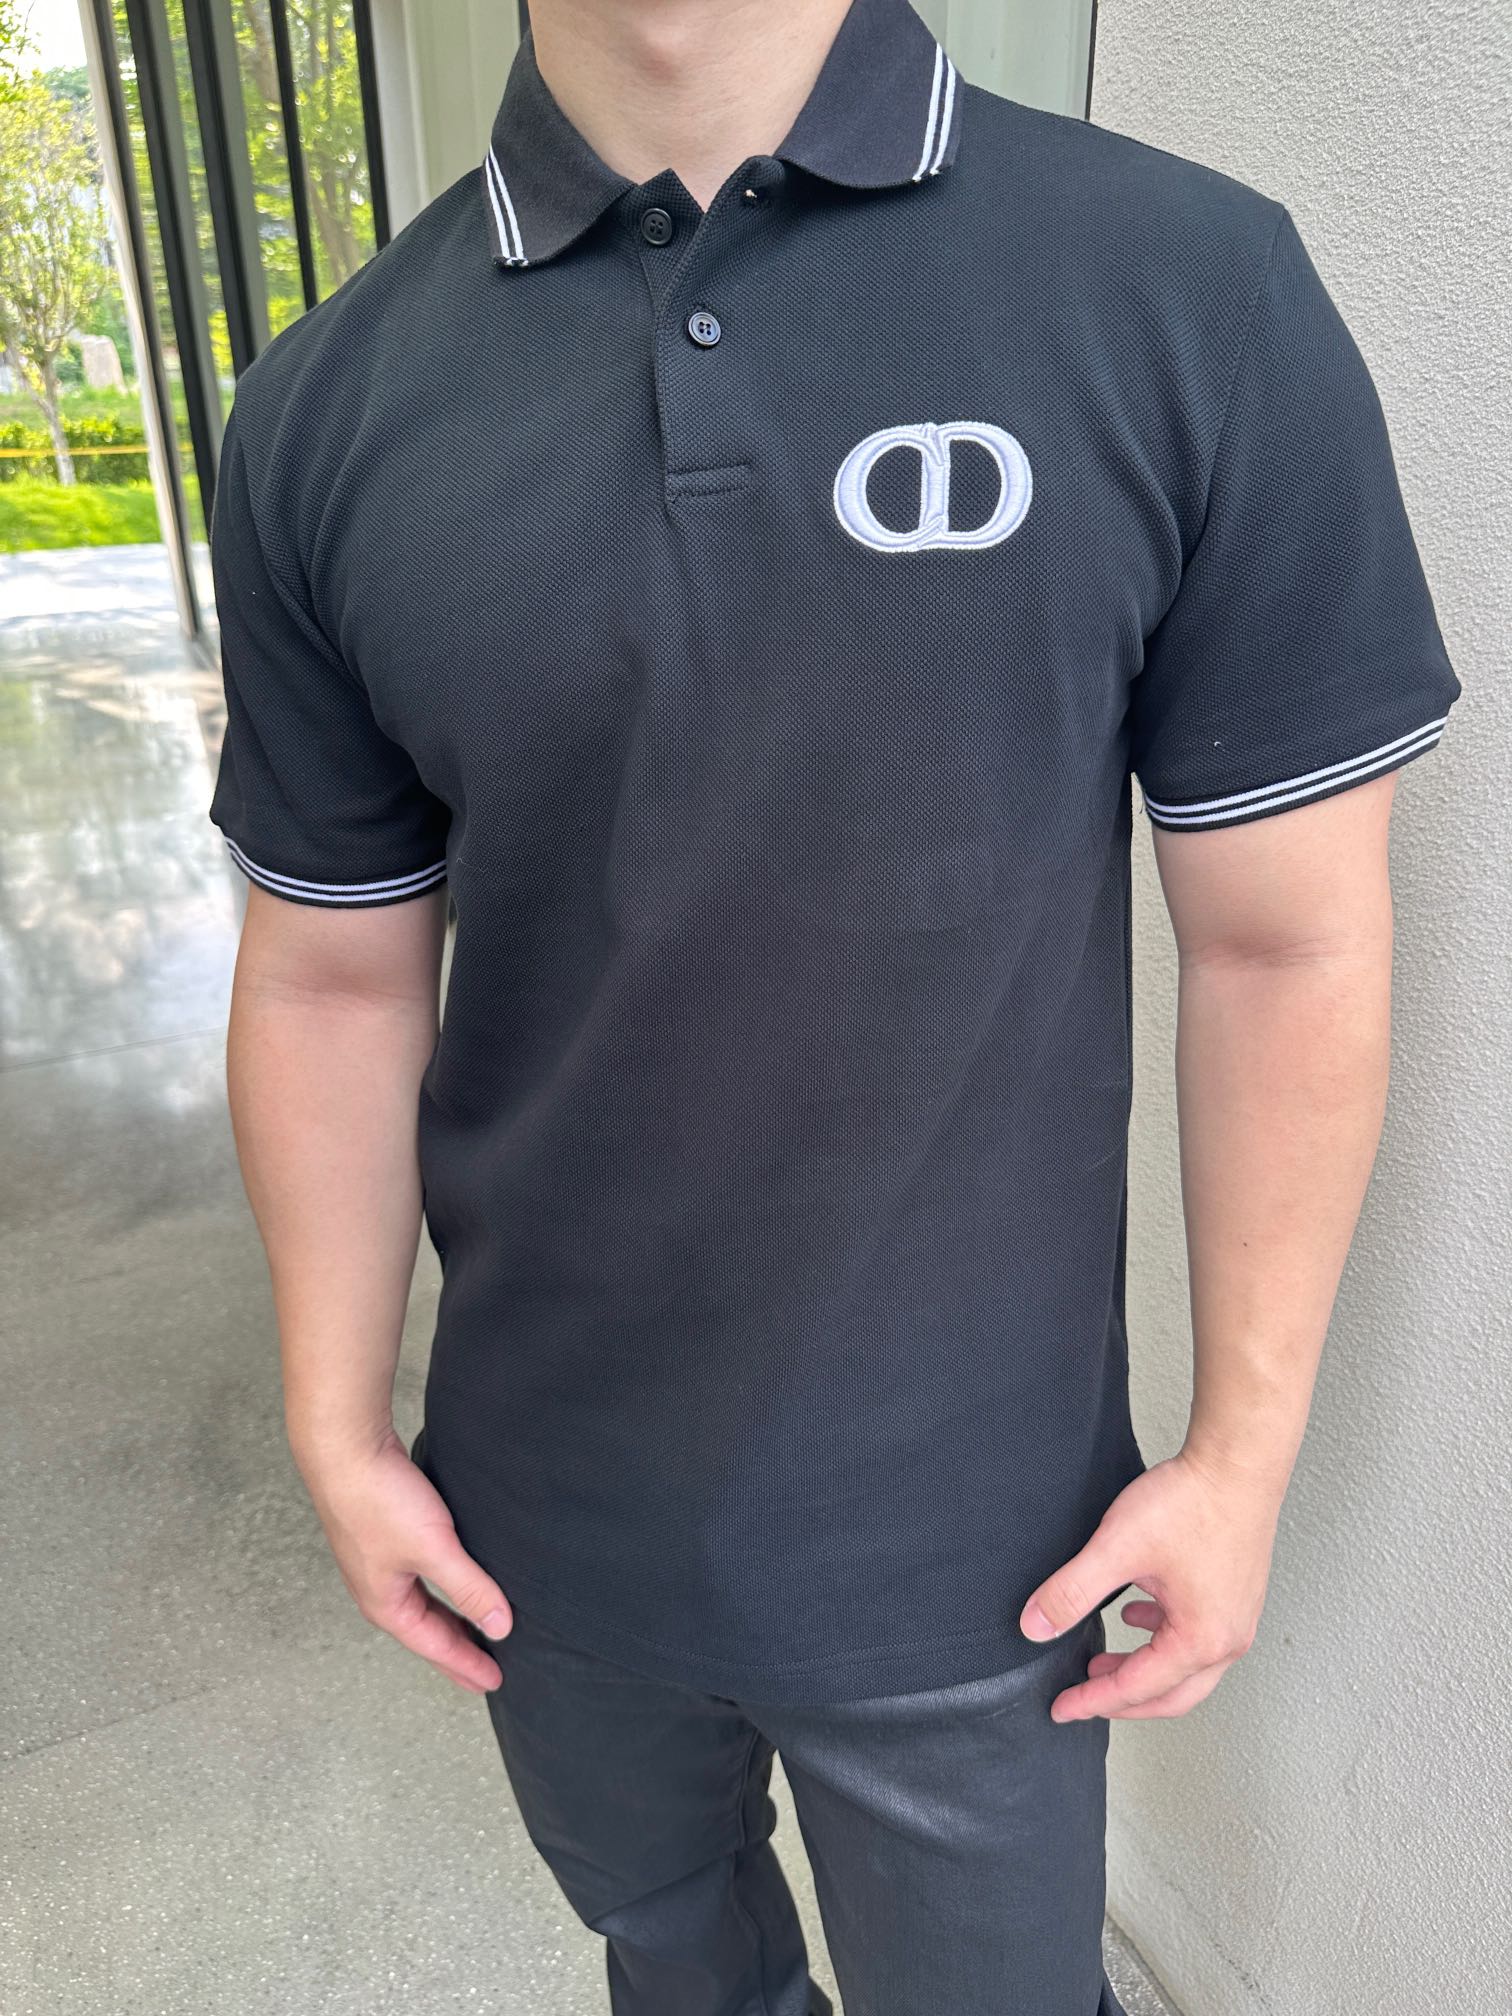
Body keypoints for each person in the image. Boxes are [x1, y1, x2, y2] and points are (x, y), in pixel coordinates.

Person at [208, 0, 1460, 2009]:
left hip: (981, 1549)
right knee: (670, 1962)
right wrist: (336, 1426)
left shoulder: (1188, 288)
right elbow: (333, 971)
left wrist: (1242, 1454)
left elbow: (1283, 943)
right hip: (541, 1524)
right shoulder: (324, 407)